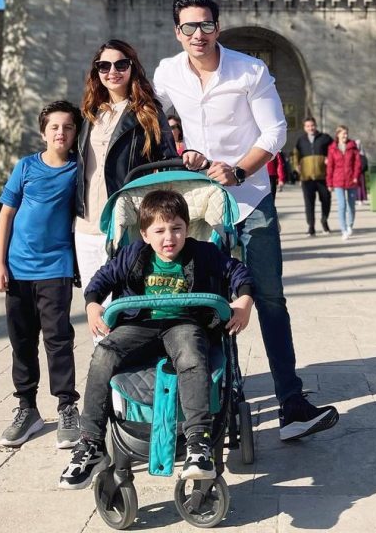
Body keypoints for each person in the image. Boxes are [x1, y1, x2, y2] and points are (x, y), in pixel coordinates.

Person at [153, 0, 339, 442]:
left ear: (218, 26)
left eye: (206, 25)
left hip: (251, 199)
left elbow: (276, 130)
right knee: (193, 297)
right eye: (189, 27)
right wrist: (181, 151)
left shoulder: (250, 70)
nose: (198, 35)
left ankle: (290, 403)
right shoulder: (167, 73)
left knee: (270, 298)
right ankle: (193, 402)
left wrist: (239, 169)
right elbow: (151, 117)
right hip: (200, 203)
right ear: (178, 32)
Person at [59, 189, 254, 489]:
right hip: (141, 323)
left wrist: (244, 301)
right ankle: (91, 442)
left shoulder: (202, 253)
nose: (169, 238)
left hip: (184, 322)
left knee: (192, 356)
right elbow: (101, 279)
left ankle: (198, 443)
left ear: (187, 229)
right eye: (160, 230)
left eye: (177, 228)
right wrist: (93, 304)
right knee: (104, 353)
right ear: (145, 234)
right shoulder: (133, 254)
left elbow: (236, 271)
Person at [0, 100, 83, 449]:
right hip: (18, 268)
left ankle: (66, 407)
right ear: (43, 132)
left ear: (76, 133)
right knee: (21, 340)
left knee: (58, 339)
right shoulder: (26, 166)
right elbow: (6, 215)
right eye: (55, 127)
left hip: (56, 267)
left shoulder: (79, 169)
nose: (61, 132)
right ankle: (27, 408)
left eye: (68, 127)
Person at [75, 39, 177, 298]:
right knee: (94, 302)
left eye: (121, 64)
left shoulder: (148, 111)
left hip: (126, 223)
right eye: (104, 66)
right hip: (86, 225)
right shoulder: (90, 113)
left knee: (124, 304)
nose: (113, 71)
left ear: (133, 67)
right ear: (96, 72)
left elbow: (168, 164)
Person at [292, 117, 334, 236]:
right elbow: (295, 155)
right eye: (308, 126)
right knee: (309, 203)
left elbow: (333, 151)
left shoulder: (325, 138)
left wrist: (329, 160)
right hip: (307, 177)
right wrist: (296, 166)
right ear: (304, 128)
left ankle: (324, 221)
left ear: (316, 125)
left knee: (326, 200)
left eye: (312, 125)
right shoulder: (301, 140)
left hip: (323, 176)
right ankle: (311, 226)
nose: (311, 128)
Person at [326, 126, 361, 240]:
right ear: (338, 134)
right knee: (342, 205)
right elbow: (330, 166)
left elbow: (357, 163)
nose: (345, 136)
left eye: (346, 133)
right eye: (343, 133)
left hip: (351, 180)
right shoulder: (332, 148)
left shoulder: (353, 146)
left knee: (351, 205)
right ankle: (343, 229)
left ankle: (350, 225)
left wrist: (356, 176)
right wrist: (329, 182)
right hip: (338, 180)